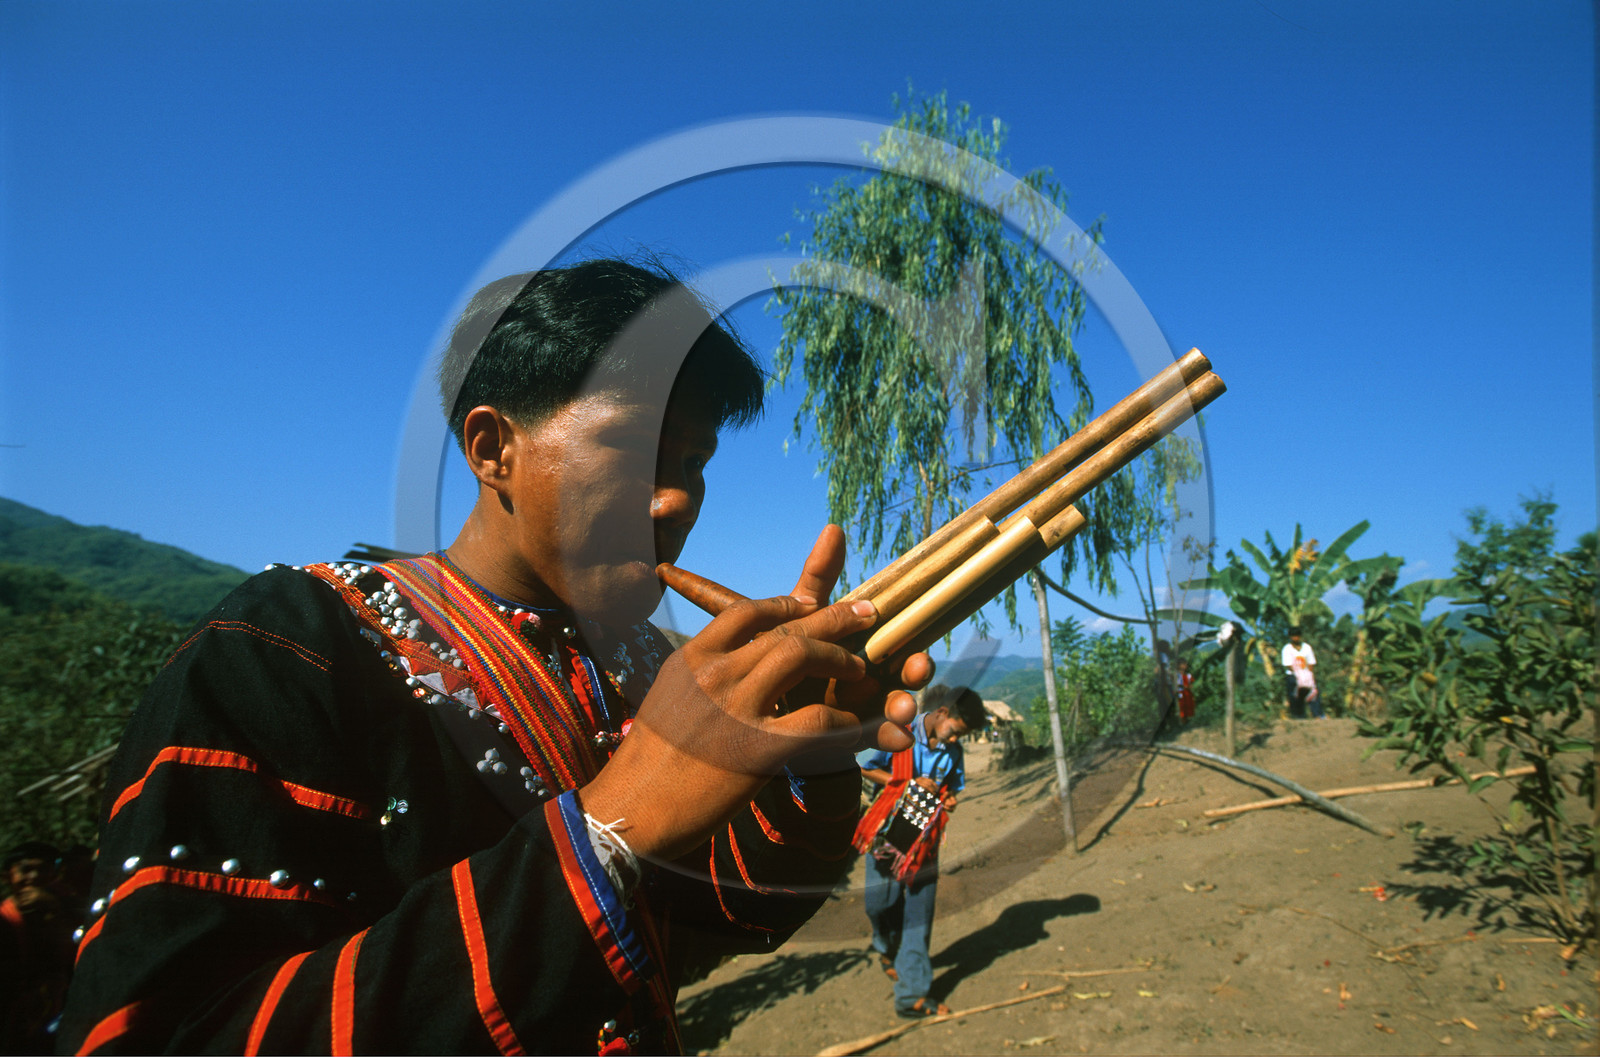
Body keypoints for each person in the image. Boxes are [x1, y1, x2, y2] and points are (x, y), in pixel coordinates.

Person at [58, 259, 932, 1055]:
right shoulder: (286, 644)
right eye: (630, 449)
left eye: (695, 464)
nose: (673, 500)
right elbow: (158, 1033)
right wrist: (608, 824)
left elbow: (705, 920)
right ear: (491, 448)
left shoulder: (635, 660)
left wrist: (806, 747)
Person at [852, 684, 988, 1019]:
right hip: (888, 836)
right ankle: (886, 947)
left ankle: (911, 994)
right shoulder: (898, 733)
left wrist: (951, 798)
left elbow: (953, 787)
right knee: (879, 903)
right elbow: (864, 766)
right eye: (956, 730)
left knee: (918, 914)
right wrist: (905, 784)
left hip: (924, 842)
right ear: (943, 714)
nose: (956, 739)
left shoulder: (953, 752)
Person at [2, 841, 73, 1053]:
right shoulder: (4, 919)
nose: (34, 876)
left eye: (43, 869)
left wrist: (54, 911)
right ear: (7, 877)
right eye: (26, 869)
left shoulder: (65, 909)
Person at [1281, 626, 1319, 719]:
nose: (1295, 638)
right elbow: (1288, 664)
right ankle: (1297, 716)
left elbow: (1311, 662)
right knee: (1294, 696)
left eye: (1297, 636)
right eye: (1293, 636)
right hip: (1293, 675)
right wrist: (1298, 674)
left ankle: (1317, 714)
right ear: (1290, 637)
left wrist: (1308, 675)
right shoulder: (1287, 649)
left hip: (1307, 676)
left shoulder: (1307, 647)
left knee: (1313, 694)